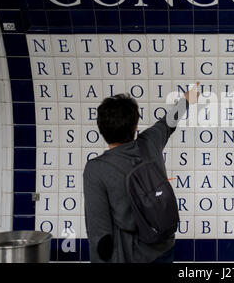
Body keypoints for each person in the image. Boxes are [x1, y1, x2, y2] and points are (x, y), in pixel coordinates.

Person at [83, 82, 200, 263]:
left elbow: (100, 235)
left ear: (101, 129)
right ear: (135, 126)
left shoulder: (96, 169)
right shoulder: (150, 142)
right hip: (164, 246)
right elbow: (168, 122)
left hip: (132, 256)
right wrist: (186, 100)